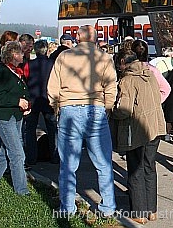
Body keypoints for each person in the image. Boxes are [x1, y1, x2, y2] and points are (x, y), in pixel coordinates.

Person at [47, 25, 117, 217]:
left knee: (68, 163)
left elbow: (53, 87)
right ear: (95, 38)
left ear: (77, 37)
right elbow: (111, 87)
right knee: (103, 163)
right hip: (95, 108)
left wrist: (56, 108)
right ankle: (108, 207)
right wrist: (107, 107)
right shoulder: (104, 58)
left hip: (69, 109)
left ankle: (67, 207)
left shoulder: (64, 57)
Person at [112, 50, 166, 224]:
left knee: (135, 170)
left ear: (122, 62)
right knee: (150, 167)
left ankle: (139, 212)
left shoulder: (127, 80)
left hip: (137, 130)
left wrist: (112, 111)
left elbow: (124, 110)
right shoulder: (149, 75)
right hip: (155, 127)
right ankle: (152, 210)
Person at [0, 41, 31, 195]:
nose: (23, 55)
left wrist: (26, 105)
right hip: (4, 117)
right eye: (21, 53)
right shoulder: (3, 72)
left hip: (15, 115)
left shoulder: (16, 71)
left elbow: (21, 91)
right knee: (17, 153)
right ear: (14, 55)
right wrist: (17, 102)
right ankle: (21, 190)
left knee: (6, 150)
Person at [24, 40, 58, 167]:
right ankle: (55, 156)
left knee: (30, 130)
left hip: (32, 100)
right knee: (52, 129)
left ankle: (31, 157)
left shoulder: (29, 64)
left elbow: (25, 80)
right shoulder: (52, 64)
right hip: (48, 99)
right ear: (47, 50)